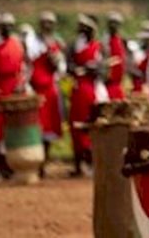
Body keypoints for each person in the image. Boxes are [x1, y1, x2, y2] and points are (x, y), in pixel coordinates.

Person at [24, 11, 66, 173]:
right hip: (35, 90)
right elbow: (28, 64)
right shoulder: (32, 42)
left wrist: (55, 60)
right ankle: (35, 161)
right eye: (44, 22)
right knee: (36, 127)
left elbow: (61, 70)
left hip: (50, 90)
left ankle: (44, 162)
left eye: (50, 23)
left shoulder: (57, 43)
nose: (47, 25)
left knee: (50, 128)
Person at [68, 14, 108, 176]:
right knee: (75, 125)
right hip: (78, 89)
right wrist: (75, 69)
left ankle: (92, 162)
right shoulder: (74, 46)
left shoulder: (99, 48)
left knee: (91, 124)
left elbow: (105, 71)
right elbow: (68, 66)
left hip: (93, 90)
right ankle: (78, 165)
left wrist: (95, 69)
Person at [0, 12, 25, 177]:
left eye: (10, 26)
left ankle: (10, 165)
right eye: (4, 26)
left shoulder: (18, 44)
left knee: (13, 129)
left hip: (15, 88)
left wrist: (21, 83)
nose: (7, 29)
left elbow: (26, 65)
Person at [103, 12, 128, 100]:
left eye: (116, 24)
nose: (114, 26)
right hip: (108, 83)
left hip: (117, 84)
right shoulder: (105, 41)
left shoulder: (121, 41)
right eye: (112, 23)